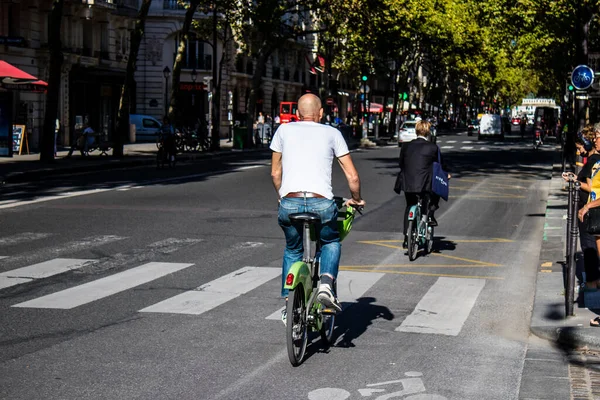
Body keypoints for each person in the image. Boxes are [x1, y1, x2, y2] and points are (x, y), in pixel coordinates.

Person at [270, 93, 365, 322]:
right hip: (321, 202)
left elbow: (275, 173)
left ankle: (288, 304)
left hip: (290, 202)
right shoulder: (332, 133)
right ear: (321, 113)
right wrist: (356, 199)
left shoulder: (283, 130)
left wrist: (282, 197)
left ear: (297, 114)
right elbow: (352, 176)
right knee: (330, 241)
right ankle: (325, 284)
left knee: (293, 250)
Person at [398, 120, 448, 248]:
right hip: (425, 183)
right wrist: (446, 174)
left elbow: (401, 164)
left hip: (407, 182)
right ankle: (430, 215)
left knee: (409, 205)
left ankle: (406, 237)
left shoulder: (405, 146)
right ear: (428, 132)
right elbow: (439, 165)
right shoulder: (433, 147)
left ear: (416, 131)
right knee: (433, 194)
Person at [568, 126, 600, 294]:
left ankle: (592, 284)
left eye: (597, 138)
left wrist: (576, 182)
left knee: (589, 248)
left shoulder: (595, 160)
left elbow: (591, 187)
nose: (595, 141)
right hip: (591, 208)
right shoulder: (594, 160)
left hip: (591, 209)